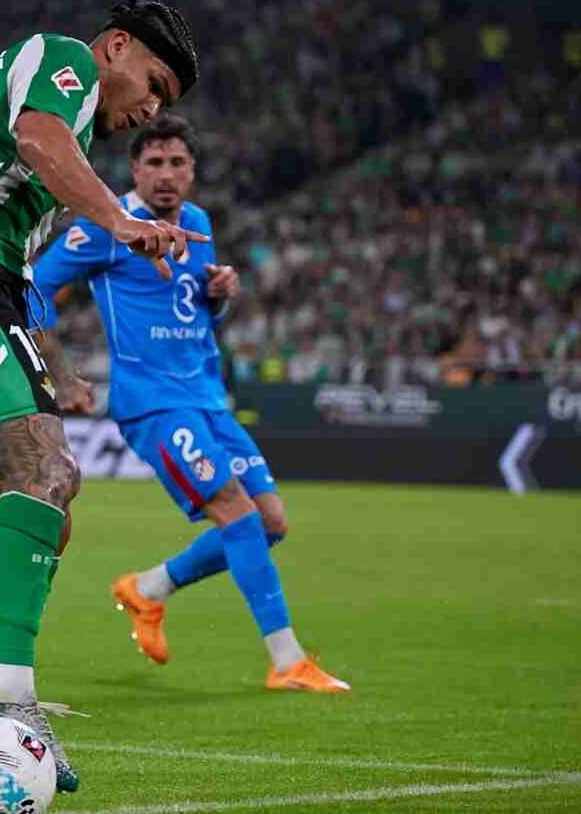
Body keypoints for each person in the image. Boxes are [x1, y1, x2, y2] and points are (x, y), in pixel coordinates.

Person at [0, 1, 204, 793]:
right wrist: (119, 220)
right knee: (47, 472)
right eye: (154, 84)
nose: (151, 109)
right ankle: (4, 697)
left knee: (47, 510)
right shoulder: (63, 63)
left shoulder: (71, 145)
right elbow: (34, 139)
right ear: (116, 46)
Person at [30, 113, 350, 693]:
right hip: (153, 403)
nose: (166, 174)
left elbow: (195, 312)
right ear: (134, 171)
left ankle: (148, 589)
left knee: (270, 522)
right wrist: (61, 372)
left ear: (193, 171)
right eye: (153, 162)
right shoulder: (106, 225)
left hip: (208, 397)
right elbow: (34, 287)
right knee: (236, 513)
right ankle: (287, 661)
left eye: (177, 162)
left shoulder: (197, 223)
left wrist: (218, 295)